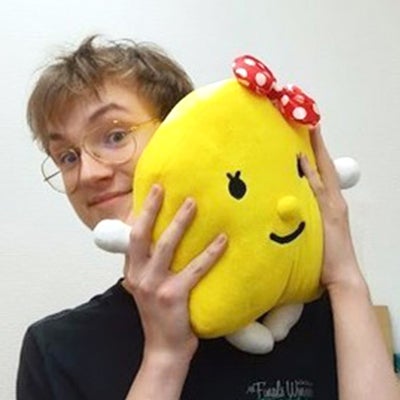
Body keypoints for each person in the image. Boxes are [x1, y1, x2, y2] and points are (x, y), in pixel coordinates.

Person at [17, 35, 400, 400]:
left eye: (115, 136)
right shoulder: (55, 350)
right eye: (67, 156)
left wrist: (345, 275)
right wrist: (165, 356)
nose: (87, 173)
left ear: (186, 134)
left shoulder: (307, 311)